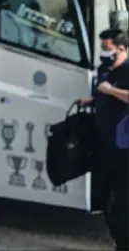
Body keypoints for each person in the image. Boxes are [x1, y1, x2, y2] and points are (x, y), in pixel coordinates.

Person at [76, 28, 128, 251]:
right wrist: (90, 100)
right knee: (103, 197)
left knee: (123, 199)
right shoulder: (104, 70)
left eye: (108, 50)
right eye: (103, 49)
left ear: (122, 49)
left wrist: (110, 91)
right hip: (103, 143)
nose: (105, 55)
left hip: (124, 147)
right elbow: (101, 93)